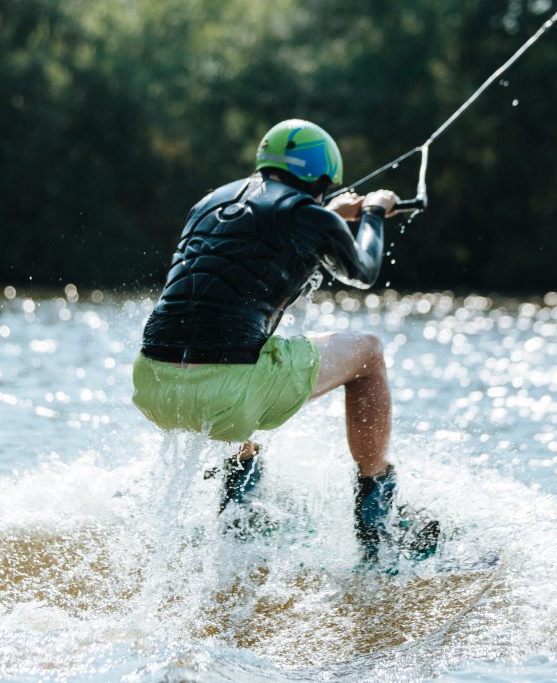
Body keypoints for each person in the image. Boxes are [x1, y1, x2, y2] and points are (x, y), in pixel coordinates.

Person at [132, 119, 436, 564]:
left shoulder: (208, 203)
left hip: (154, 382)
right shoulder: (308, 216)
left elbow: (252, 251)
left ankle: (240, 500)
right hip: (229, 392)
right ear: (321, 178)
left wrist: (330, 216)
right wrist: (372, 212)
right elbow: (364, 271)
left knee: (246, 341)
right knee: (368, 351)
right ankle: (378, 513)